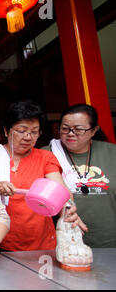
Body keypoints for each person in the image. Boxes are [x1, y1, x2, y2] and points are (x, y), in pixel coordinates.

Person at [0, 100, 86, 251]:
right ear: (6, 131)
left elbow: (60, 189)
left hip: (42, 242)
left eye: (34, 132)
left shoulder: (45, 157)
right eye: (21, 131)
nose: (28, 137)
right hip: (2, 241)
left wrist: (68, 209)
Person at [43, 104, 116, 247]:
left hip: (109, 242)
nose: (70, 133)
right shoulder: (46, 154)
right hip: (63, 242)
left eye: (79, 129)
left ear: (93, 130)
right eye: (65, 128)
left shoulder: (112, 153)